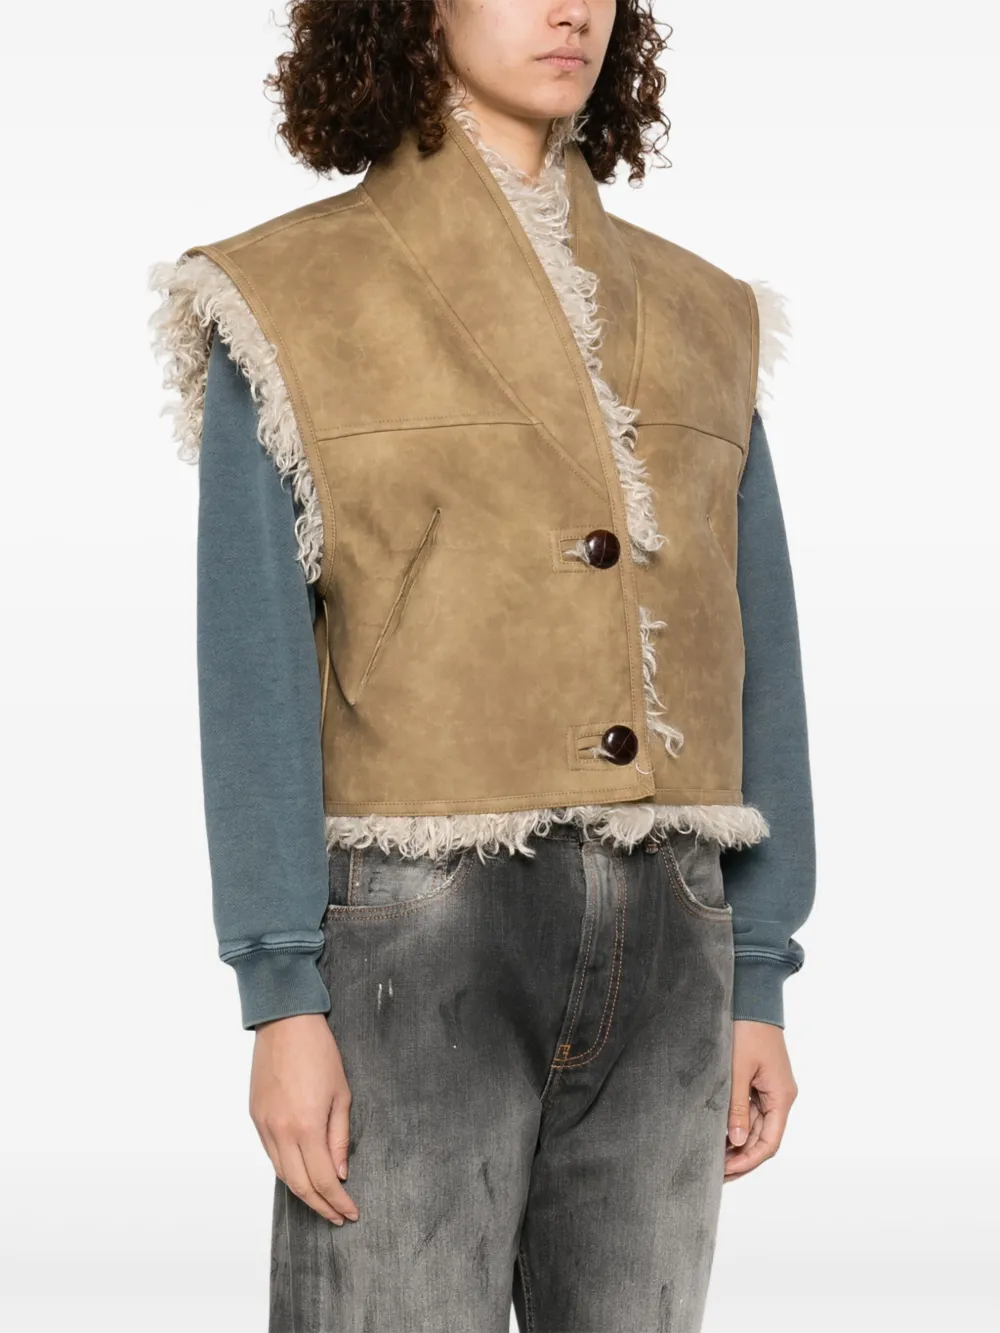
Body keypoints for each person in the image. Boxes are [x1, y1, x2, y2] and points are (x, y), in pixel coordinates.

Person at [149, 3, 815, 1330]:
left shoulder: (703, 311)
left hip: (674, 927)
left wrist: (759, 974)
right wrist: (280, 995)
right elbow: (253, 664)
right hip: (417, 927)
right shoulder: (289, 292)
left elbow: (761, 646)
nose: (570, 9)